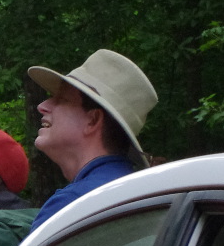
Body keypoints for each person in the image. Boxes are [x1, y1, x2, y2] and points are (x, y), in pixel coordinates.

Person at [28, 49, 158, 233]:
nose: (42, 106)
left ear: (93, 120)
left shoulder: (75, 203)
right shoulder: (139, 193)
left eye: (62, 99)